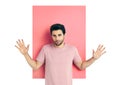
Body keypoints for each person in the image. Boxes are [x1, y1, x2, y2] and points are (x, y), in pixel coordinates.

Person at [15, 23, 106, 85]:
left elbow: (81, 66)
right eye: (54, 35)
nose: (57, 38)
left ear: (64, 34)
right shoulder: (45, 49)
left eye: (59, 35)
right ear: (51, 35)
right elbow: (35, 66)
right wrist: (25, 54)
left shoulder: (72, 49)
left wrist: (94, 58)